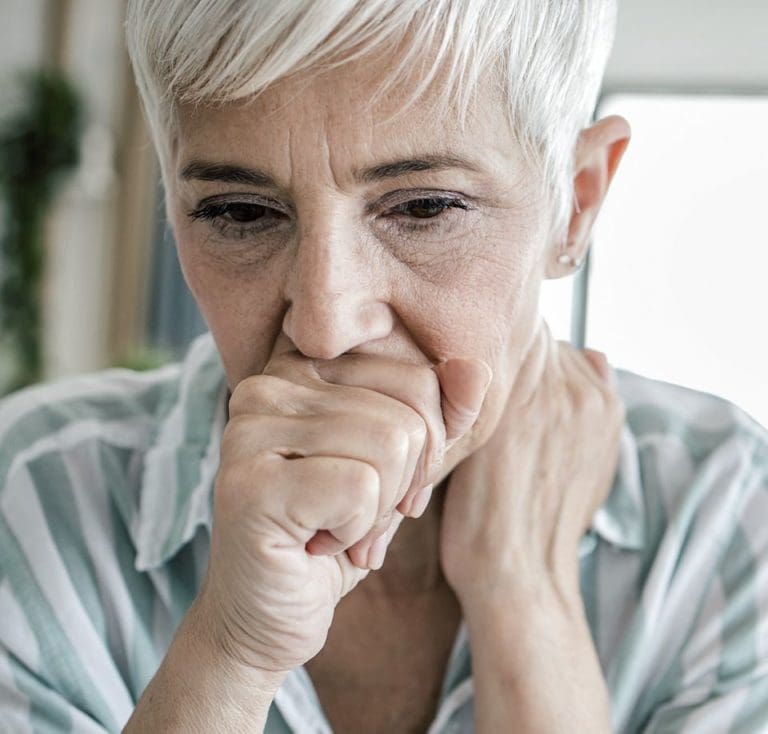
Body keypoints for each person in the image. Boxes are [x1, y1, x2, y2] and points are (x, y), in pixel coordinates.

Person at [1, 1, 766, 732]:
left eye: (425, 208)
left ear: (577, 201)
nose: (327, 325)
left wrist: (527, 600)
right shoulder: (32, 498)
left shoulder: (727, 513)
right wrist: (231, 653)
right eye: (240, 212)